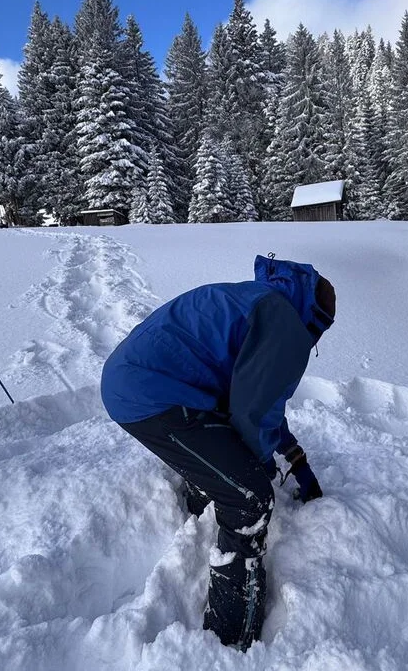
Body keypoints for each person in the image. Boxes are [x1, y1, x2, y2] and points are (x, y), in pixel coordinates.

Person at [100, 255, 333, 650]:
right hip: (154, 396)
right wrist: (255, 469)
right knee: (250, 499)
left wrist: (294, 457)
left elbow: (261, 401)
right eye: (320, 330)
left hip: (135, 380)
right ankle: (229, 637)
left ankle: (204, 497)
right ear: (313, 317)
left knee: (229, 458)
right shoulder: (284, 324)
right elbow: (251, 413)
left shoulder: (262, 302)